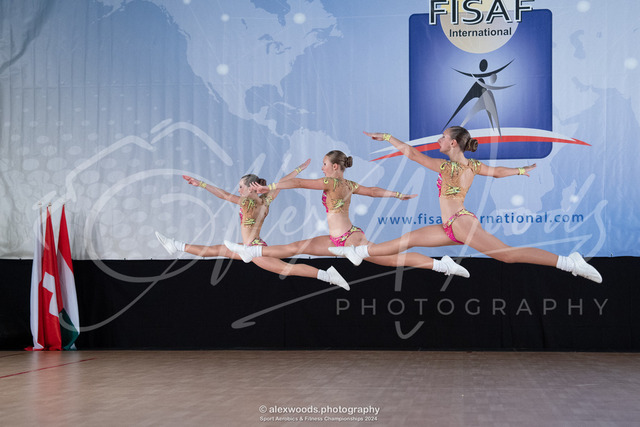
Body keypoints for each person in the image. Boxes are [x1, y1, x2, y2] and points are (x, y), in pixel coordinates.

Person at [328, 127, 602, 283]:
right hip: (451, 224)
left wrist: (389, 138)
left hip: (460, 222)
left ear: (453, 142)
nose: (438, 140)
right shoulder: (472, 165)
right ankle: (358, 251)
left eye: (442, 137)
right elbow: (498, 172)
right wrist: (519, 171)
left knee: (506, 255)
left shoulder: (447, 166)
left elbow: (412, 154)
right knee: (408, 240)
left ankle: (569, 262)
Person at [224, 150, 469, 278]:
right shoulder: (349, 184)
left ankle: (441, 265)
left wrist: (270, 187)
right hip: (336, 239)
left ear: (334, 166)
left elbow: (298, 183)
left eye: (324, 164)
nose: (321, 168)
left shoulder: (330, 182)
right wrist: (396, 194)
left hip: (349, 239)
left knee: (392, 259)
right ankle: (253, 252)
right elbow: (372, 191)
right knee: (297, 246)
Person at [155, 159, 351, 290]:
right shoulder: (265, 200)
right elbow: (282, 182)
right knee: (216, 250)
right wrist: (298, 169)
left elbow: (224, 195)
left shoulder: (247, 203)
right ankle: (176, 245)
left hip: (253, 249)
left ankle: (327, 275)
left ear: (250, 188)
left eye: (241, 187)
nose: (238, 190)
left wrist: (202, 184)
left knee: (287, 269)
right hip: (253, 245)